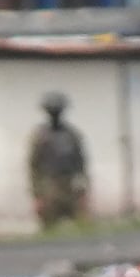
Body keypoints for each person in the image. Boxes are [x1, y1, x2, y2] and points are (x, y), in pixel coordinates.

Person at [26, 91, 89, 230]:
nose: (55, 114)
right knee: (49, 227)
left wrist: (83, 190)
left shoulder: (71, 135)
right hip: (49, 185)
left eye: (58, 111)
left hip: (70, 185)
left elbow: (81, 163)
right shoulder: (40, 136)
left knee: (79, 227)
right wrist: (37, 195)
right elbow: (33, 166)